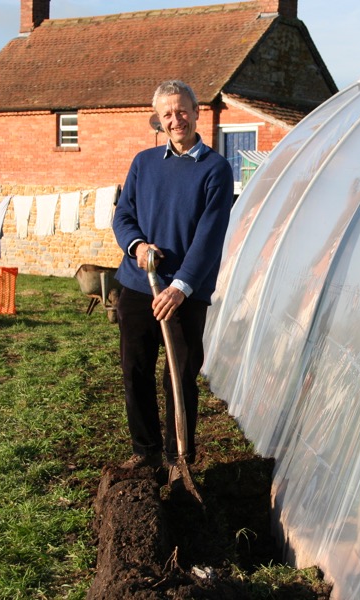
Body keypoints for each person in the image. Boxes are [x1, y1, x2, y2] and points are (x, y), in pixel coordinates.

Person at [112, 80, 234, 476]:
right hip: (138, 284)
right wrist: (136, 246)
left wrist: (181, 287)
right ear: (159, 120)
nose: (175, 119)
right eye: (167, 114)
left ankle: (178, 458)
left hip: (186, 293)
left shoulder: (214, 169)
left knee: (180, 377)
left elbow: (209, 235)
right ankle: (145, 452)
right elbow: (123, 216)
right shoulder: (144, 163)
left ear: (197, 113)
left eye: (182, 111)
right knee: (135, 370)